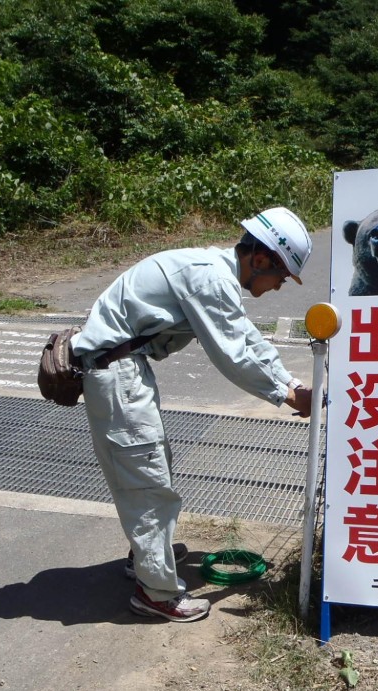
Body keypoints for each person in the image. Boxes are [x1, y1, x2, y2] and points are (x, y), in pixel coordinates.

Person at [70, 207, 315, 623]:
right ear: (260, 260)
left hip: (125, 370)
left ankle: (147, 557)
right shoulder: (210, 277)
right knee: (146, 481)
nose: (277, 288)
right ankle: (157, 594)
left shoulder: (213, 272)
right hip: (117, 372)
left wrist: (290, 382)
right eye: (281, 276)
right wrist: (288, 395)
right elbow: (233, 354)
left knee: (151, 466)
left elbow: (246, 338)